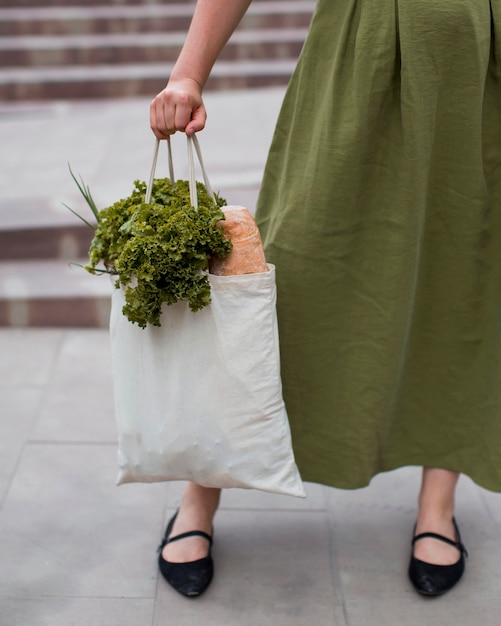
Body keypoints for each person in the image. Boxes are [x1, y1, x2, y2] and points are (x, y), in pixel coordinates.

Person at [150, 0, 501, 599]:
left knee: (463, 275)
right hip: (361, 63)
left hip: (480, 76)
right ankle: (200, 490)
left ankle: (438, 504)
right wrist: (189, 70)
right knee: (287, 279)